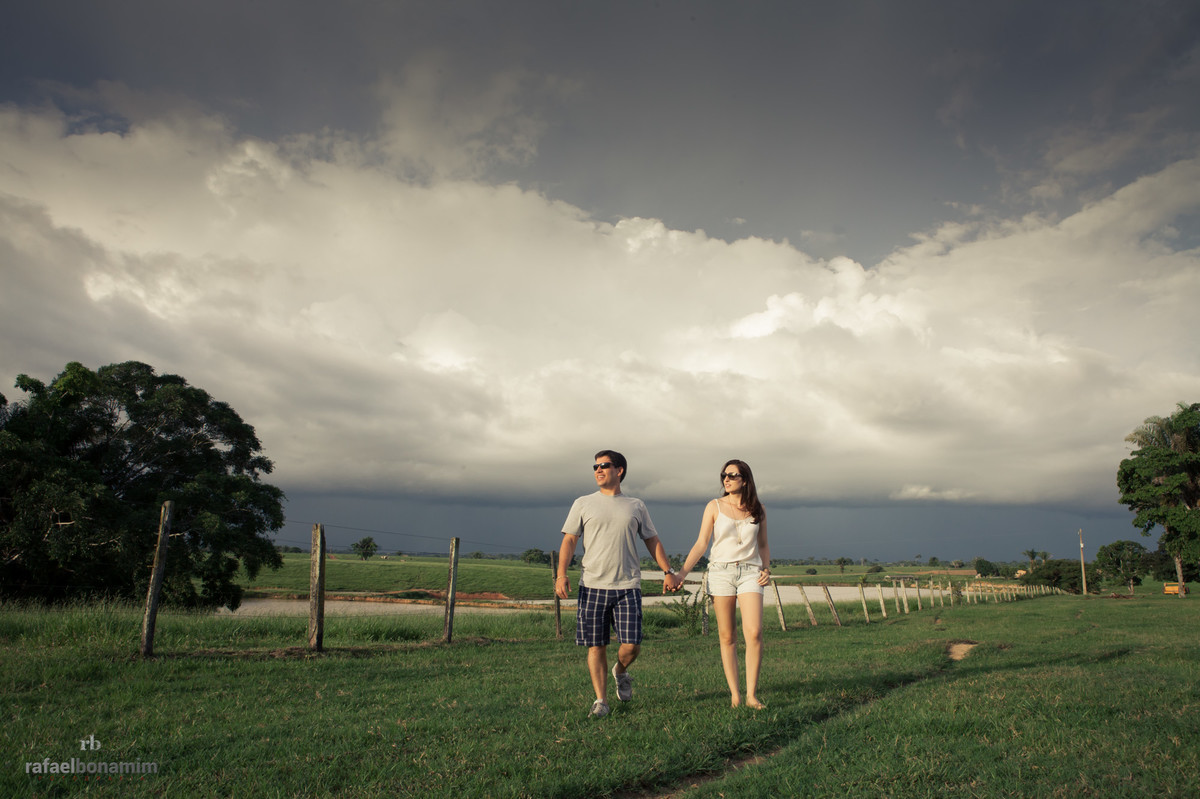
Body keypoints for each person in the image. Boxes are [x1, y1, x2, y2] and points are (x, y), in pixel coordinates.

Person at [556, 450, 675, 719]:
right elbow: (569, 540)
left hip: (627, 585)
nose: (598, 470)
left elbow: (652, 540)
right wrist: (561, 574)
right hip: (593, 585)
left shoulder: (636, 505)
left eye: (604, 465)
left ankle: (620, 671)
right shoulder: (583, 503)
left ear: (619, 470)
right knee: (596, 645)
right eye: (595, 466)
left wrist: (668, 571)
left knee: (631, 645)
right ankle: (601, 701)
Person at [665, 459, 771, 708]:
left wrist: (766, 568)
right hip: (720, 573)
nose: (726, 478)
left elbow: (764, 545)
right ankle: (735, 695)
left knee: (754, 633)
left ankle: (752, 695)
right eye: (724, 474)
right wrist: (680, 574)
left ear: (745, 479)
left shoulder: (759, 509)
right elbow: (702, 543)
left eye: (732, 475)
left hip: (750, 572)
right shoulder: (714, 506)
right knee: (727, 636)